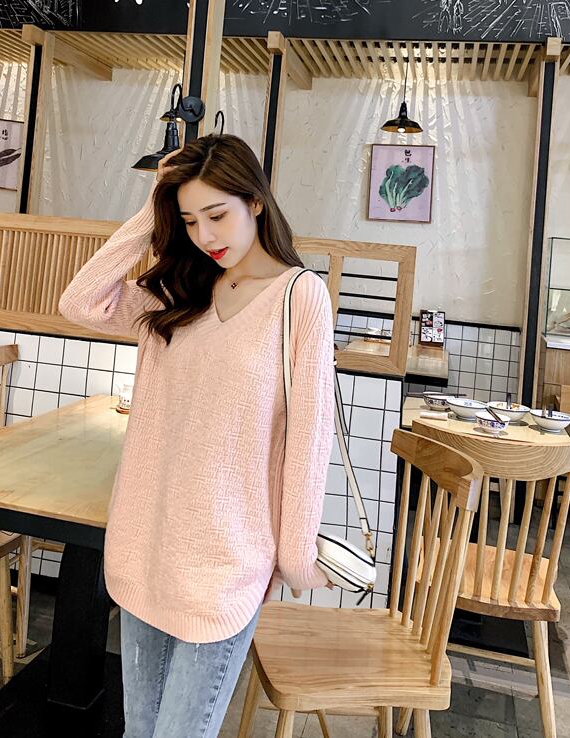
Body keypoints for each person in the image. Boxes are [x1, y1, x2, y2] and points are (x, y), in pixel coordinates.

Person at [59, 133, 336, 738]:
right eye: (189, 221)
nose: (206, 235)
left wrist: (294, 555)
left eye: (217, 214)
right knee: (139, 731)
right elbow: (79, 302)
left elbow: (309, 437)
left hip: (226, 563)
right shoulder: (179, 292)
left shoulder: (299, 296)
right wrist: (151, 208)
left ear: (255, 201)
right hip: (145, 548)